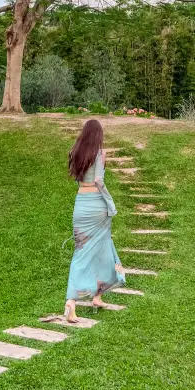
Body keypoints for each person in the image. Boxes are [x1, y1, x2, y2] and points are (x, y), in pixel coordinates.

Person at [63, 118, 125, 322]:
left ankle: (93, 297)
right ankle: (79, 299)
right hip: (97, 206)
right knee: (103, 248)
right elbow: (99, 181)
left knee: (83, 251)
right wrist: (111, 204)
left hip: (80, 204)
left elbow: (79, 180)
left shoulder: (75, 153)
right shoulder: (99, 154)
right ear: (98, 135)